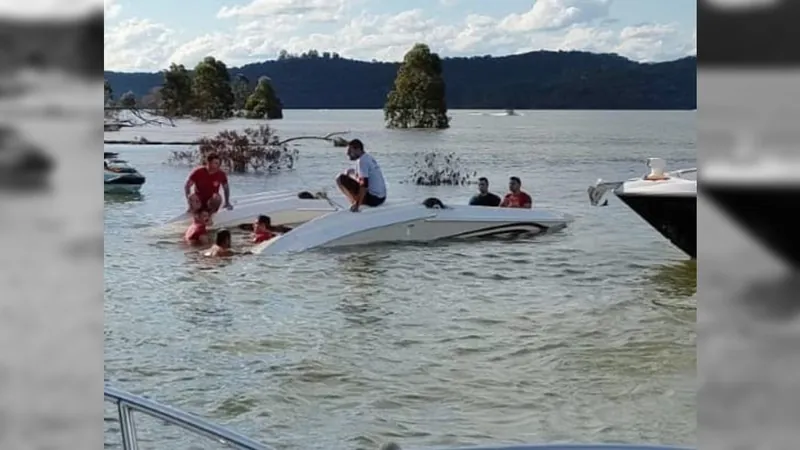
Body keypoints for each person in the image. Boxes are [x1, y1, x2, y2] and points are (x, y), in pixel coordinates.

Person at [335, 139, 387, 212]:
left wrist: (357, 205)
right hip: (381, 198)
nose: (347, 153)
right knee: (350, 171)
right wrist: (350, 172)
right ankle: (356, 200)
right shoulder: (368, 157)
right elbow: (363, 176)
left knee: (340, 178)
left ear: (358, 150)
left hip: (374, 200)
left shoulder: (362, 162)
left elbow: (364, 185)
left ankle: (354, 203)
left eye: (350, 151)